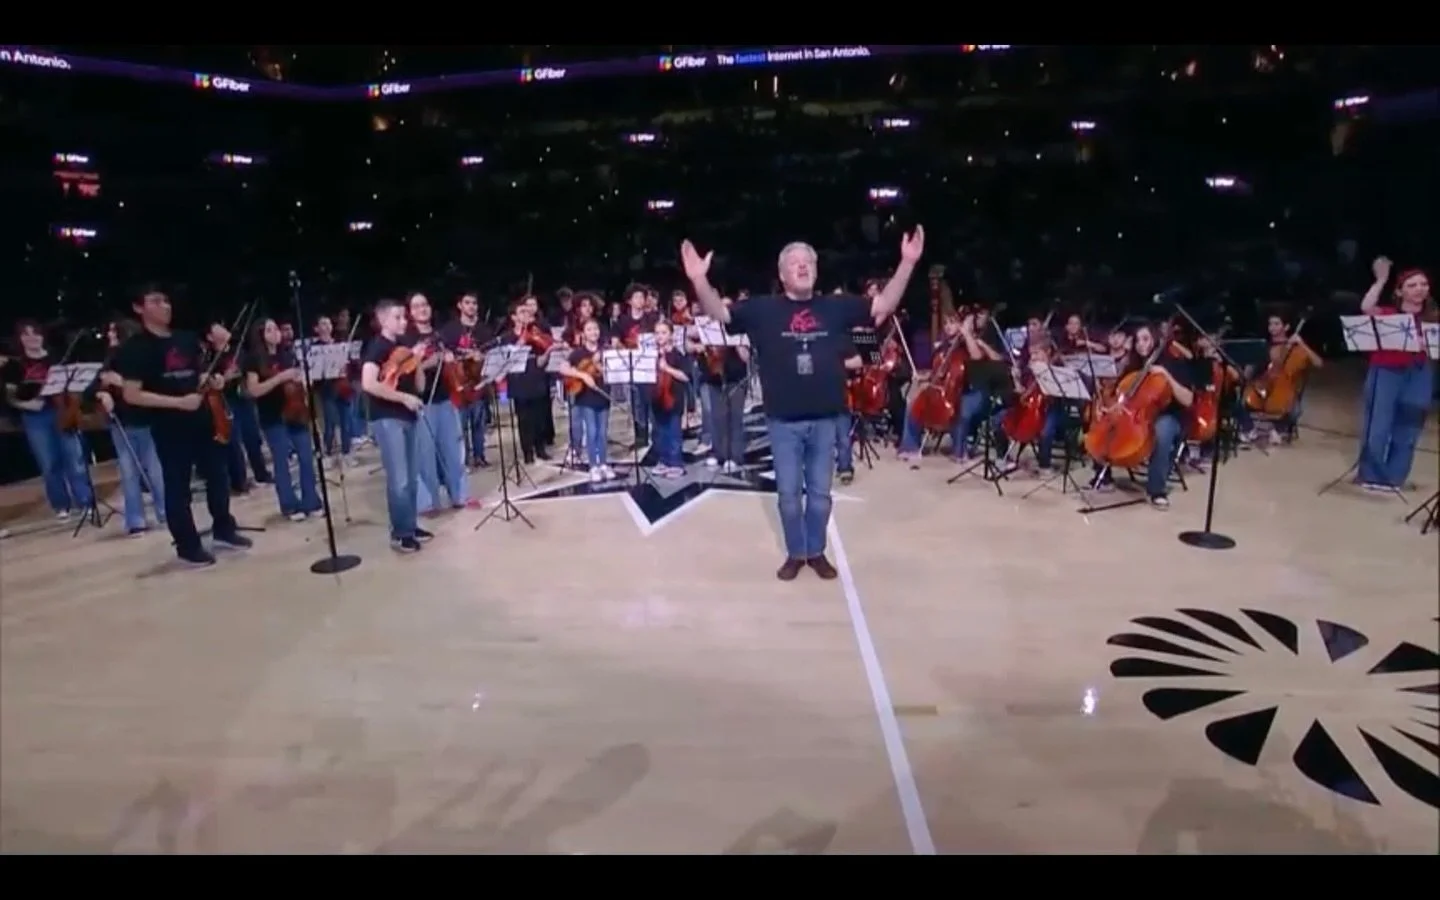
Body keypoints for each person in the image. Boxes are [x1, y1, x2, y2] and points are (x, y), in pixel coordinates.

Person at [681, 228, 923, 580]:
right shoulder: (763, 310)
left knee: (822, 497)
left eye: (808, 261)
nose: (802, 266)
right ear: (782, 275)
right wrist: (699, 281)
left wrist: (907, 263)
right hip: (783, 422)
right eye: (794, 263)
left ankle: (817, 551)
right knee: (790, 497)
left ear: (816, 269)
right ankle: (797, 552)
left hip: (827, 420)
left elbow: (884, 305)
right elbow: (719, 313)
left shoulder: (837, 308)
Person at [114, 288, 252, 567]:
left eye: (166, 300)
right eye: (156, 301)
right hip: (169, 426)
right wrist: (178, 403)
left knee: (218, 476)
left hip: (202, 418)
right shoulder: (135, 348)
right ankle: (187, 544)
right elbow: (132, 394)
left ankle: (224, 527)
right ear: (139, 308)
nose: (165, 306)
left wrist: (211, 380)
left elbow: (197, 372)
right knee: (178, 487)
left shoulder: (185, 339)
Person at [1356, 257, 1435, 490]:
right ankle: (1371, 475)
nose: (1420, 289)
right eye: (1412, 285)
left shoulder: (1433, 317)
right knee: (1378, 424)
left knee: (1409, 426)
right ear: (1400, 292)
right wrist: (1381, 280)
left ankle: (1394, 478)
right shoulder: (1388, 314)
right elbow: (1366, 307)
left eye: (1424, 284)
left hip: (1420, 373)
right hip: (1386, 371)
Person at [360, 298, 432, 553]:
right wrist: (404, 398)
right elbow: (369, 383)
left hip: (408, 415)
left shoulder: (405, 345)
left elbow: (420, 386)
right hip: (388, 417)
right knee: (399, 479)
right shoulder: (376, 347)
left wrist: (418, 361)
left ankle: (410, 525)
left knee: (411, 478)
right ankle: (400, 533)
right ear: (383, 320)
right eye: (398, 317)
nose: (404, 321)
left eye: (404, 317)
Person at [1, 320, 93, 519]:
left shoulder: (57, 359)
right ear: (20, 339)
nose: (32, 338)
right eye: (26, 334)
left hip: (63, 411)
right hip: (36, 417)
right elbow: (10, 396)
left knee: (75, 459)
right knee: (49, 463)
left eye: (35, 333)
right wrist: (31, 404)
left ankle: (85, 501)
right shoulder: (15, 365)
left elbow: (74, 383)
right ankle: (61, 505)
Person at [243, 318, 323, 522]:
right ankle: (289, 505)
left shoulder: (287, 354)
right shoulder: (254, 359)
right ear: (261, 334)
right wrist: (280, 378)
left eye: (275, 328)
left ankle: (311, 501)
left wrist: (304, 380)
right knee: (282, 462)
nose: (275, 332)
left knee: (306, 457)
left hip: (296, 410)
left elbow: (298, 376)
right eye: (269, 329)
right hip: (273, 415)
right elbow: (254, 390)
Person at [95, 318, 166, 535]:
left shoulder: (140, 355)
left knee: (155, 471)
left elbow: (153, 383)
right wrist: (101, 392)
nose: (110, 337)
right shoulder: (110, 359)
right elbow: (93, 387)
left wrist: (120, 382)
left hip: (146, 420)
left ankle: (166, 511)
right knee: (128, 473)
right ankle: (136, 521)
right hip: (121, 423)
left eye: (114, 333)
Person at [407, 292, 476, 513]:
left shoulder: (440, 336)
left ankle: (459, 495)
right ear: (410, 312)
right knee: (424, 456)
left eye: (425, 304)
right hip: (423, 401)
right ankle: (429, 502)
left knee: (454, 451)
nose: (422, 309)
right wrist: (428, 362)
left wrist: (451, 361)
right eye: (416, 306)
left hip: (445, 397)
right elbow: (405, 371)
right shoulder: (408, 339)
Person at [692, 296, 750, 473]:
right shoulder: (709, 327)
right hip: (714, 376)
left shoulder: (741, 329)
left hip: (736, 377)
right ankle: (719, 453)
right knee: (718, 417)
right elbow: (690, 335)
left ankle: (735, 456)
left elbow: (746, 358)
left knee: (735, 417)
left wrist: (736, 342)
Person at [556, 318, 618, 482]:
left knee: (603, 432)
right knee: (591, 432)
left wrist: (598, 366)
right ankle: (593, 466)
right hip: (586, 398)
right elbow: (563, 368)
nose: (593, 332)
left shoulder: (606, 351)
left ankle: (603, 463)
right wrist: (582, 375)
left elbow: (613, 372)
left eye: (596, 329)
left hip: (603, 395)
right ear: (583, 333)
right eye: (589, 329)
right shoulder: (578, 353)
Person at [438, 292, 493, 470]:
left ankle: (479, 456)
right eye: (467, 303)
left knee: (478, 423)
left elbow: (491, 352)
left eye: (474, 303)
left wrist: (481, 355)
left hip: (478, 382)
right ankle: (464, 459)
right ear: (460, 305)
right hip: (458, 382)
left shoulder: (483, 329)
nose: (471, 306)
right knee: (460, 426)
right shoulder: (450, 329)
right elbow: (444, 350)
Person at [499, 299, 556, 464]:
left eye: (528, 311)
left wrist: (548, 352)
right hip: (519, 384)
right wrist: (521, 342)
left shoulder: (536, 333)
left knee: (539, 417)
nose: (527, 314)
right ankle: (527, 453)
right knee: (524, 420)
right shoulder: (507, 337)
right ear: (514, 317)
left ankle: (540, 448)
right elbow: (507, 361)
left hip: (537, 379)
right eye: (522, 312)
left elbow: (540, 361)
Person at [650, 320, 691, 477]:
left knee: (673, 432)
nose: (660, 336)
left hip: (674, 399)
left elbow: (685, 376)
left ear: (671, 335)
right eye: (657, 333)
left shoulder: (678, 355)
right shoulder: (652, 354)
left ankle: (676, 463)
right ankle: (664, 460)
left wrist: (667, 368)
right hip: (657, 398)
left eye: (664, 332)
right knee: (660, 432)